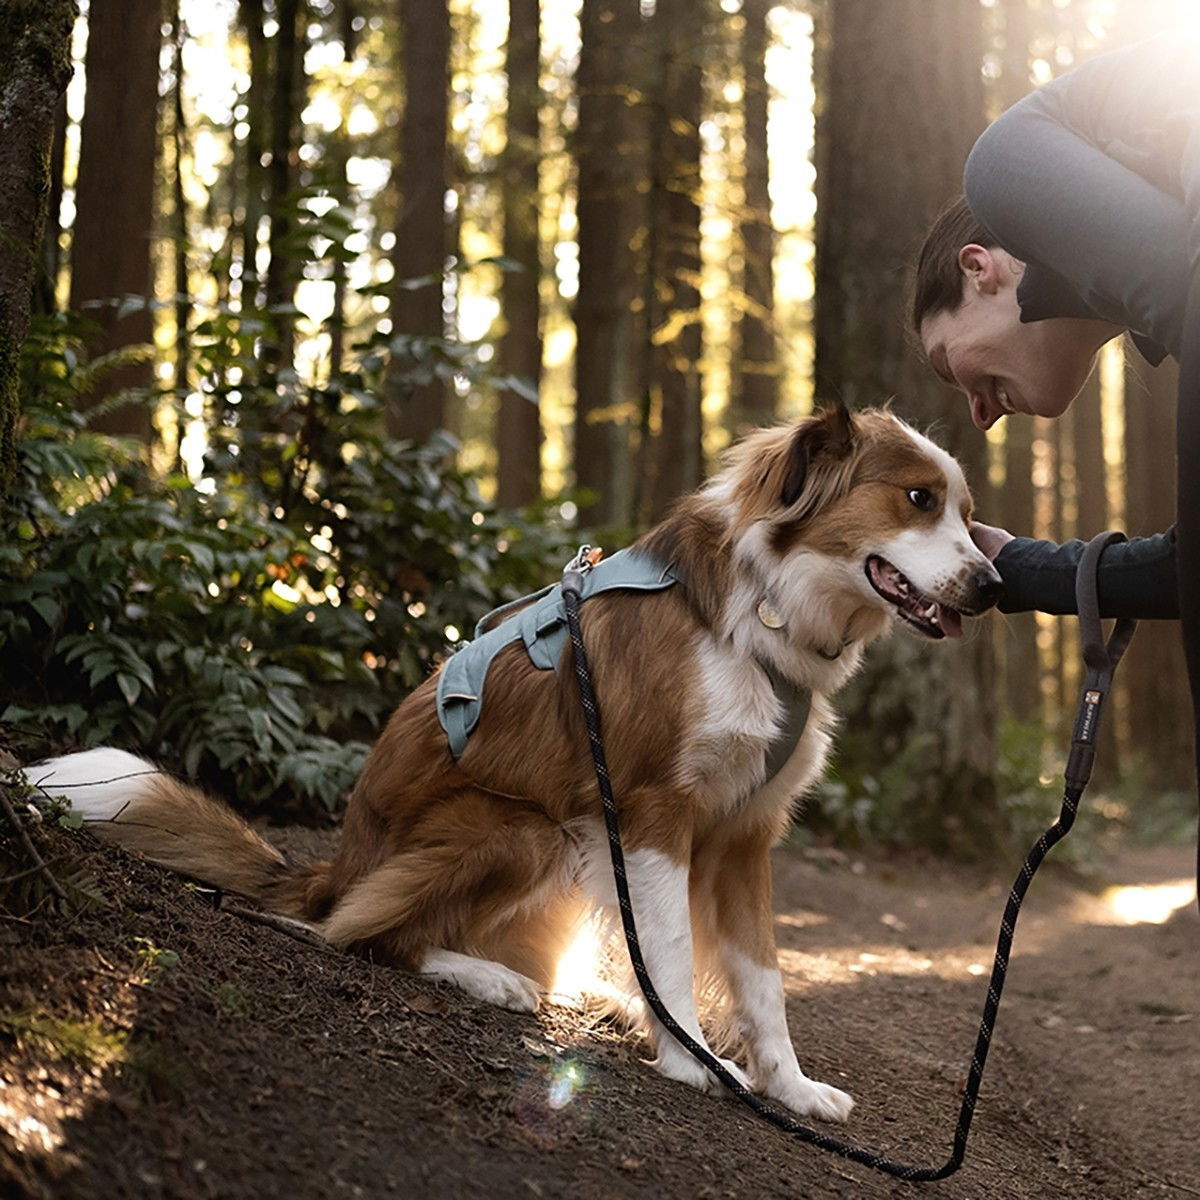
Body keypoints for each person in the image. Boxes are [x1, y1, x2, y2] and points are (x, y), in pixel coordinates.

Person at [911, 31, 1200, 874]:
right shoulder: (1175, 293)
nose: (977, 416)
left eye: (949, 365)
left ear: (982, 270)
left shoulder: (1004, 163)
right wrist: (1017, 569)